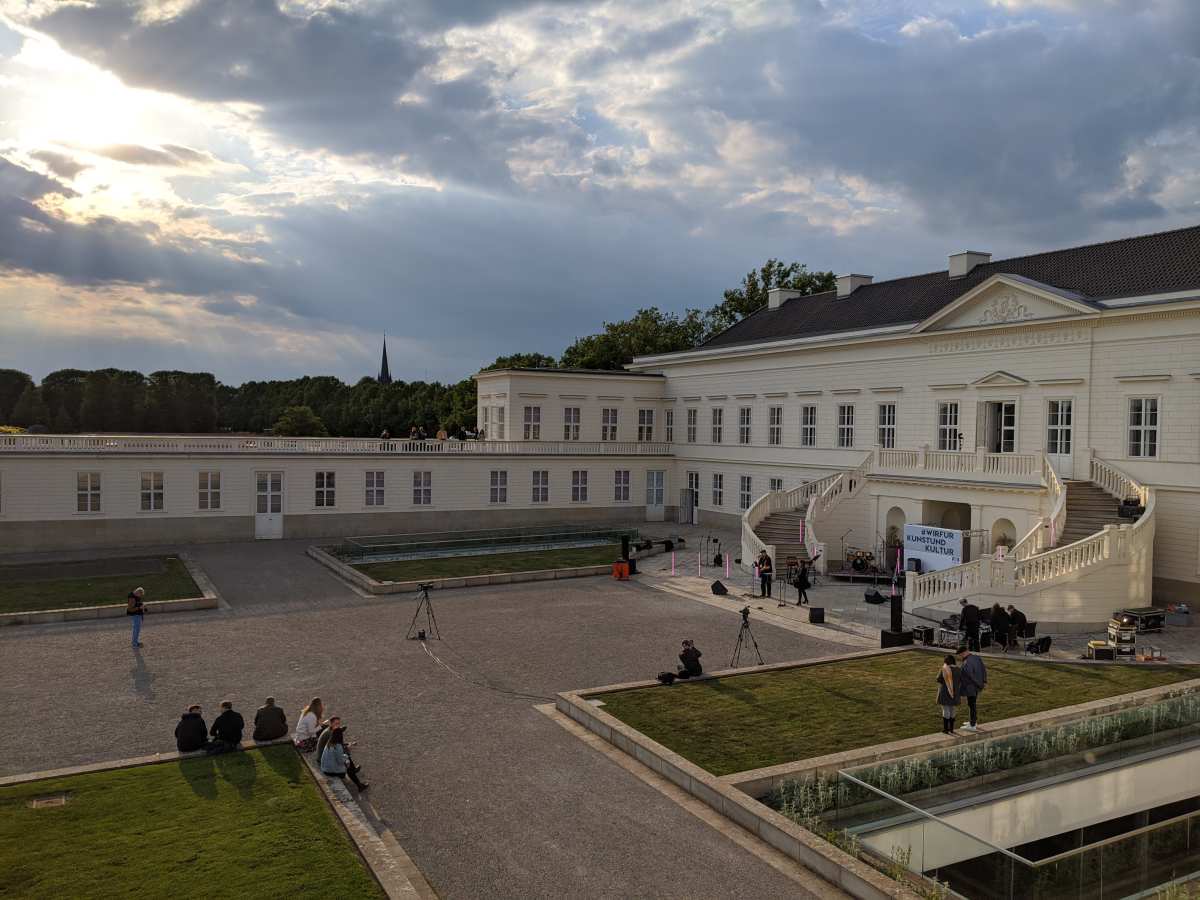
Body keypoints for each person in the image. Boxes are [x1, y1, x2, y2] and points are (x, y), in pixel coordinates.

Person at [320, 727, 369, 792]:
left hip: (325, 768)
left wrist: (345, 752)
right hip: (331, 771)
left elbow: (337, 756)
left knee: (347, 760)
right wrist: (347, 753)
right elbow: (340, 762)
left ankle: (354, 772)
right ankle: (359, 785)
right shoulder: (338, 746)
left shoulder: (329, 742)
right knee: (348, 764)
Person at [957, 647, 988, 732]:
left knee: (972, 704)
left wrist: (979, 684)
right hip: (977, 686)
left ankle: (972, 725)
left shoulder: (967, 662)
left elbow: (971, 676)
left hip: (971, 687)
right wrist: (984, 682)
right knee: (972, 704)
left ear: (963, 653)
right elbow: (983, 669)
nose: (960, 657)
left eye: (960, 655)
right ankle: (973, 721)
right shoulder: (977, 657)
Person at [936, 654, 961, 735]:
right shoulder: (958, 669)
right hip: (955, 692)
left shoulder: (944, 669)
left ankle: (946, 729)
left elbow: (939, 680)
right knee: (953, 709)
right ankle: (951, 729)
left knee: (945, 710)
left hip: (945, 692)